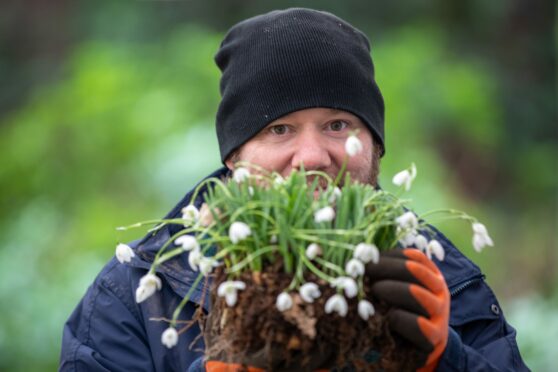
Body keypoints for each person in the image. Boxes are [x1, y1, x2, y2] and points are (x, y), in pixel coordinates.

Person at [60, 8, 529, 371]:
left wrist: (444, 359)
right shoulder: (138, 294)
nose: (312, 157)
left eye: (337, 124)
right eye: (279, 129)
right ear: (233, 155)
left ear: (375, 146)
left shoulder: (435, 277)